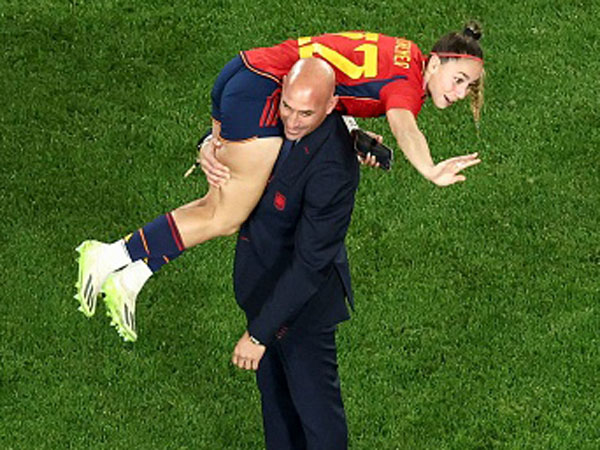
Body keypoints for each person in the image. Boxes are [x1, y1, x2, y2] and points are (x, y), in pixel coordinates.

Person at [75, 22, 485, 342]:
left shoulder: (404, 52)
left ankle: (133, 277)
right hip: (264, 92)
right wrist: (429, 168)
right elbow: (403, 125)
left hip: (245, 73)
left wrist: (351, 131)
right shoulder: (406, 87)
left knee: (228, 200)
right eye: (458, 78)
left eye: (469, 86)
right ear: (435, 63)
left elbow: (338, 82)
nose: (460, 92)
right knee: (226, 216)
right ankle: (109, 256)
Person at [230, 57, 358, 450]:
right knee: (277, 408)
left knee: (317, 419)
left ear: (331, 105)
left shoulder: (334, 166)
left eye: (306, 113)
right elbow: (234, 132)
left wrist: (259, 334)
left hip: (303, 312)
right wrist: (207, 146)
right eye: (288, 106)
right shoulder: (274, 111)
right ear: (283, 87)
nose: (292, 121)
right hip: (262, 288)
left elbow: (310, 264)